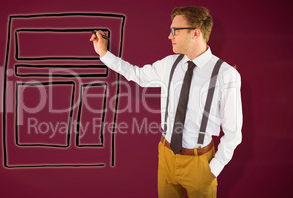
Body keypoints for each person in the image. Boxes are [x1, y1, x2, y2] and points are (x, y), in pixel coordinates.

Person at [90, 6, 242, 198]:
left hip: (200, 163)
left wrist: (214, 168)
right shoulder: (170, 64)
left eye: (175, 31)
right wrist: (104, 54)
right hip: (166, 156)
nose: (170, 36)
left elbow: (233, 132)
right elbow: (136, 74)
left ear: (196, 33)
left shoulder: (226, 74)